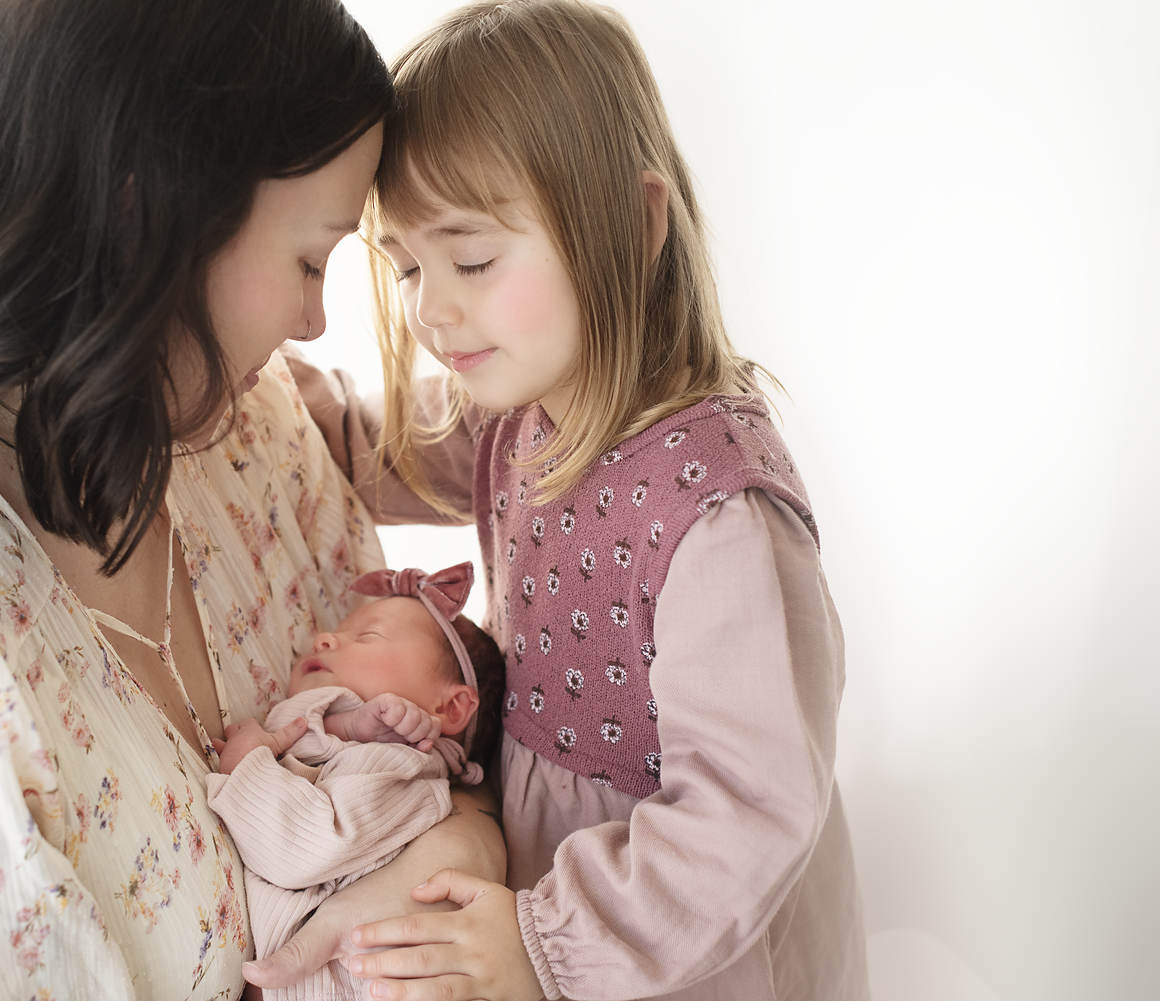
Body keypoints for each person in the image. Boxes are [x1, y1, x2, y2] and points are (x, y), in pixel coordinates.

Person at [0, 2, 504, 999]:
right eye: (312, 258)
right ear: (150, 212)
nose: (313, 319)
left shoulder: (242, 429)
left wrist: (464, 850)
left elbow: (439, 764)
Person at [284, 1, 871, 999]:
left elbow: (747, 811)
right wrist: (256, 380)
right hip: (549, 912)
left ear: (635, 223)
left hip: (686, 952)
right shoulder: (523, 411)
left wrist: (551, 940)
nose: (432, 307)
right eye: (410, 267)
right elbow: (367, 444)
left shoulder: (719, 515)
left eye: (471, 260)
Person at [207, 564, 505, 1001]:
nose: (325, 638)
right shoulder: (364, 751)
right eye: (337, 631)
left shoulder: (404, 767)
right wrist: (343, 725)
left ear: (451, 707)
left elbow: (301, 847)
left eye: (369, 636)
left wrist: (244, 763)